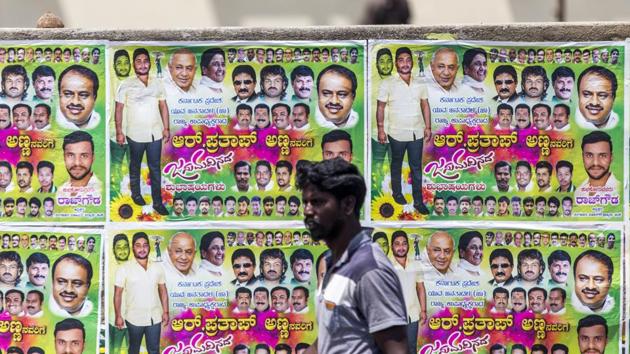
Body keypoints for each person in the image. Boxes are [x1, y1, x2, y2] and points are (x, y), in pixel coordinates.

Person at [296, 158, 408, 353]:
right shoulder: (333, 262)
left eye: (317, 202)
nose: (307, 210)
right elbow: (331, 335)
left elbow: (397, 350)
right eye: (305, 202)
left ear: (347, 205)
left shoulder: (369, 270)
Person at [115, 48, 170, 216]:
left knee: (155, 168)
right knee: (135, 165)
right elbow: (118, 109)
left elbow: (163, 106)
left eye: (145, 61)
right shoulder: (126, 85)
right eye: (138, 61)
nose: (142, 64)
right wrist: (119, 131)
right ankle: (136, 194)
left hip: (155, 133)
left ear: (150, 63)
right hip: (135, 134)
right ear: (133, 64)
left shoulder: (157, 83)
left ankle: (157, 202)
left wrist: (166, 127)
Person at [376, 47, 430, 214]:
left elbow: (425, 105)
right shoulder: (388, 83)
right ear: (396, 63)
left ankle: (418, 202)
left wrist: (428, 126)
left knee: (416, 168)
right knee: (396, 164)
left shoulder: (420, 83)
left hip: (417, 133)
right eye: (401, 60)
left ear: (412, 63)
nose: (405, 63)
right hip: (396, 133)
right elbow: (380, 107)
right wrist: (380, 129)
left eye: (408, 60)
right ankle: (397, 193)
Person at [114, 232, 168, 354]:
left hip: (154, 318)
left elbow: (163, 290)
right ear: (133, 247)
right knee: (133, 350)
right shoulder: (124, 268)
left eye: (145, 245)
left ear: (149, 247)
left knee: (154, 350)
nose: (142, 249)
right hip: (134, 319)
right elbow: (117, 294)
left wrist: (165, 311)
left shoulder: (157, 267)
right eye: (138, 245)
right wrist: (118, 315)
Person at [390, 230, 426, 353]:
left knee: (411, 348)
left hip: (412, 315)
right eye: (397, 244)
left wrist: (423, 310)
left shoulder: (416, 265)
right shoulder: (386, 265)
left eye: (404, 243)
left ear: (408, 246)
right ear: (392, 246)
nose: (401, 247)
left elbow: (420, 288)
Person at [56, 65, 101, 130]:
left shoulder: (99, 121)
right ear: (59, 95)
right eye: (68, 94)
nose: (75, 102)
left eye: (83, 95)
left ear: (94, 98)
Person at [58, 131, 102, 197]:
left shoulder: (101, 191)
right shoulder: (60, 191)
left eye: (84, 156)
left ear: (93, 158)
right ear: (64, 157)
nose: (77, 163)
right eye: (71, 155)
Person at [576, 131, 618, 198]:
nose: (595, 163)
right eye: (589, 155)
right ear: (582, 157)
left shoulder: (620, 191)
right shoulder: (578, 192)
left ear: (611, 158)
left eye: (602, 155)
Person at [50, 253, 93, 317]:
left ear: (88, 286)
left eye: (77, 283)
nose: (69, 290)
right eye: (61, 281)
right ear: (52, 283)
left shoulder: (92, 310)